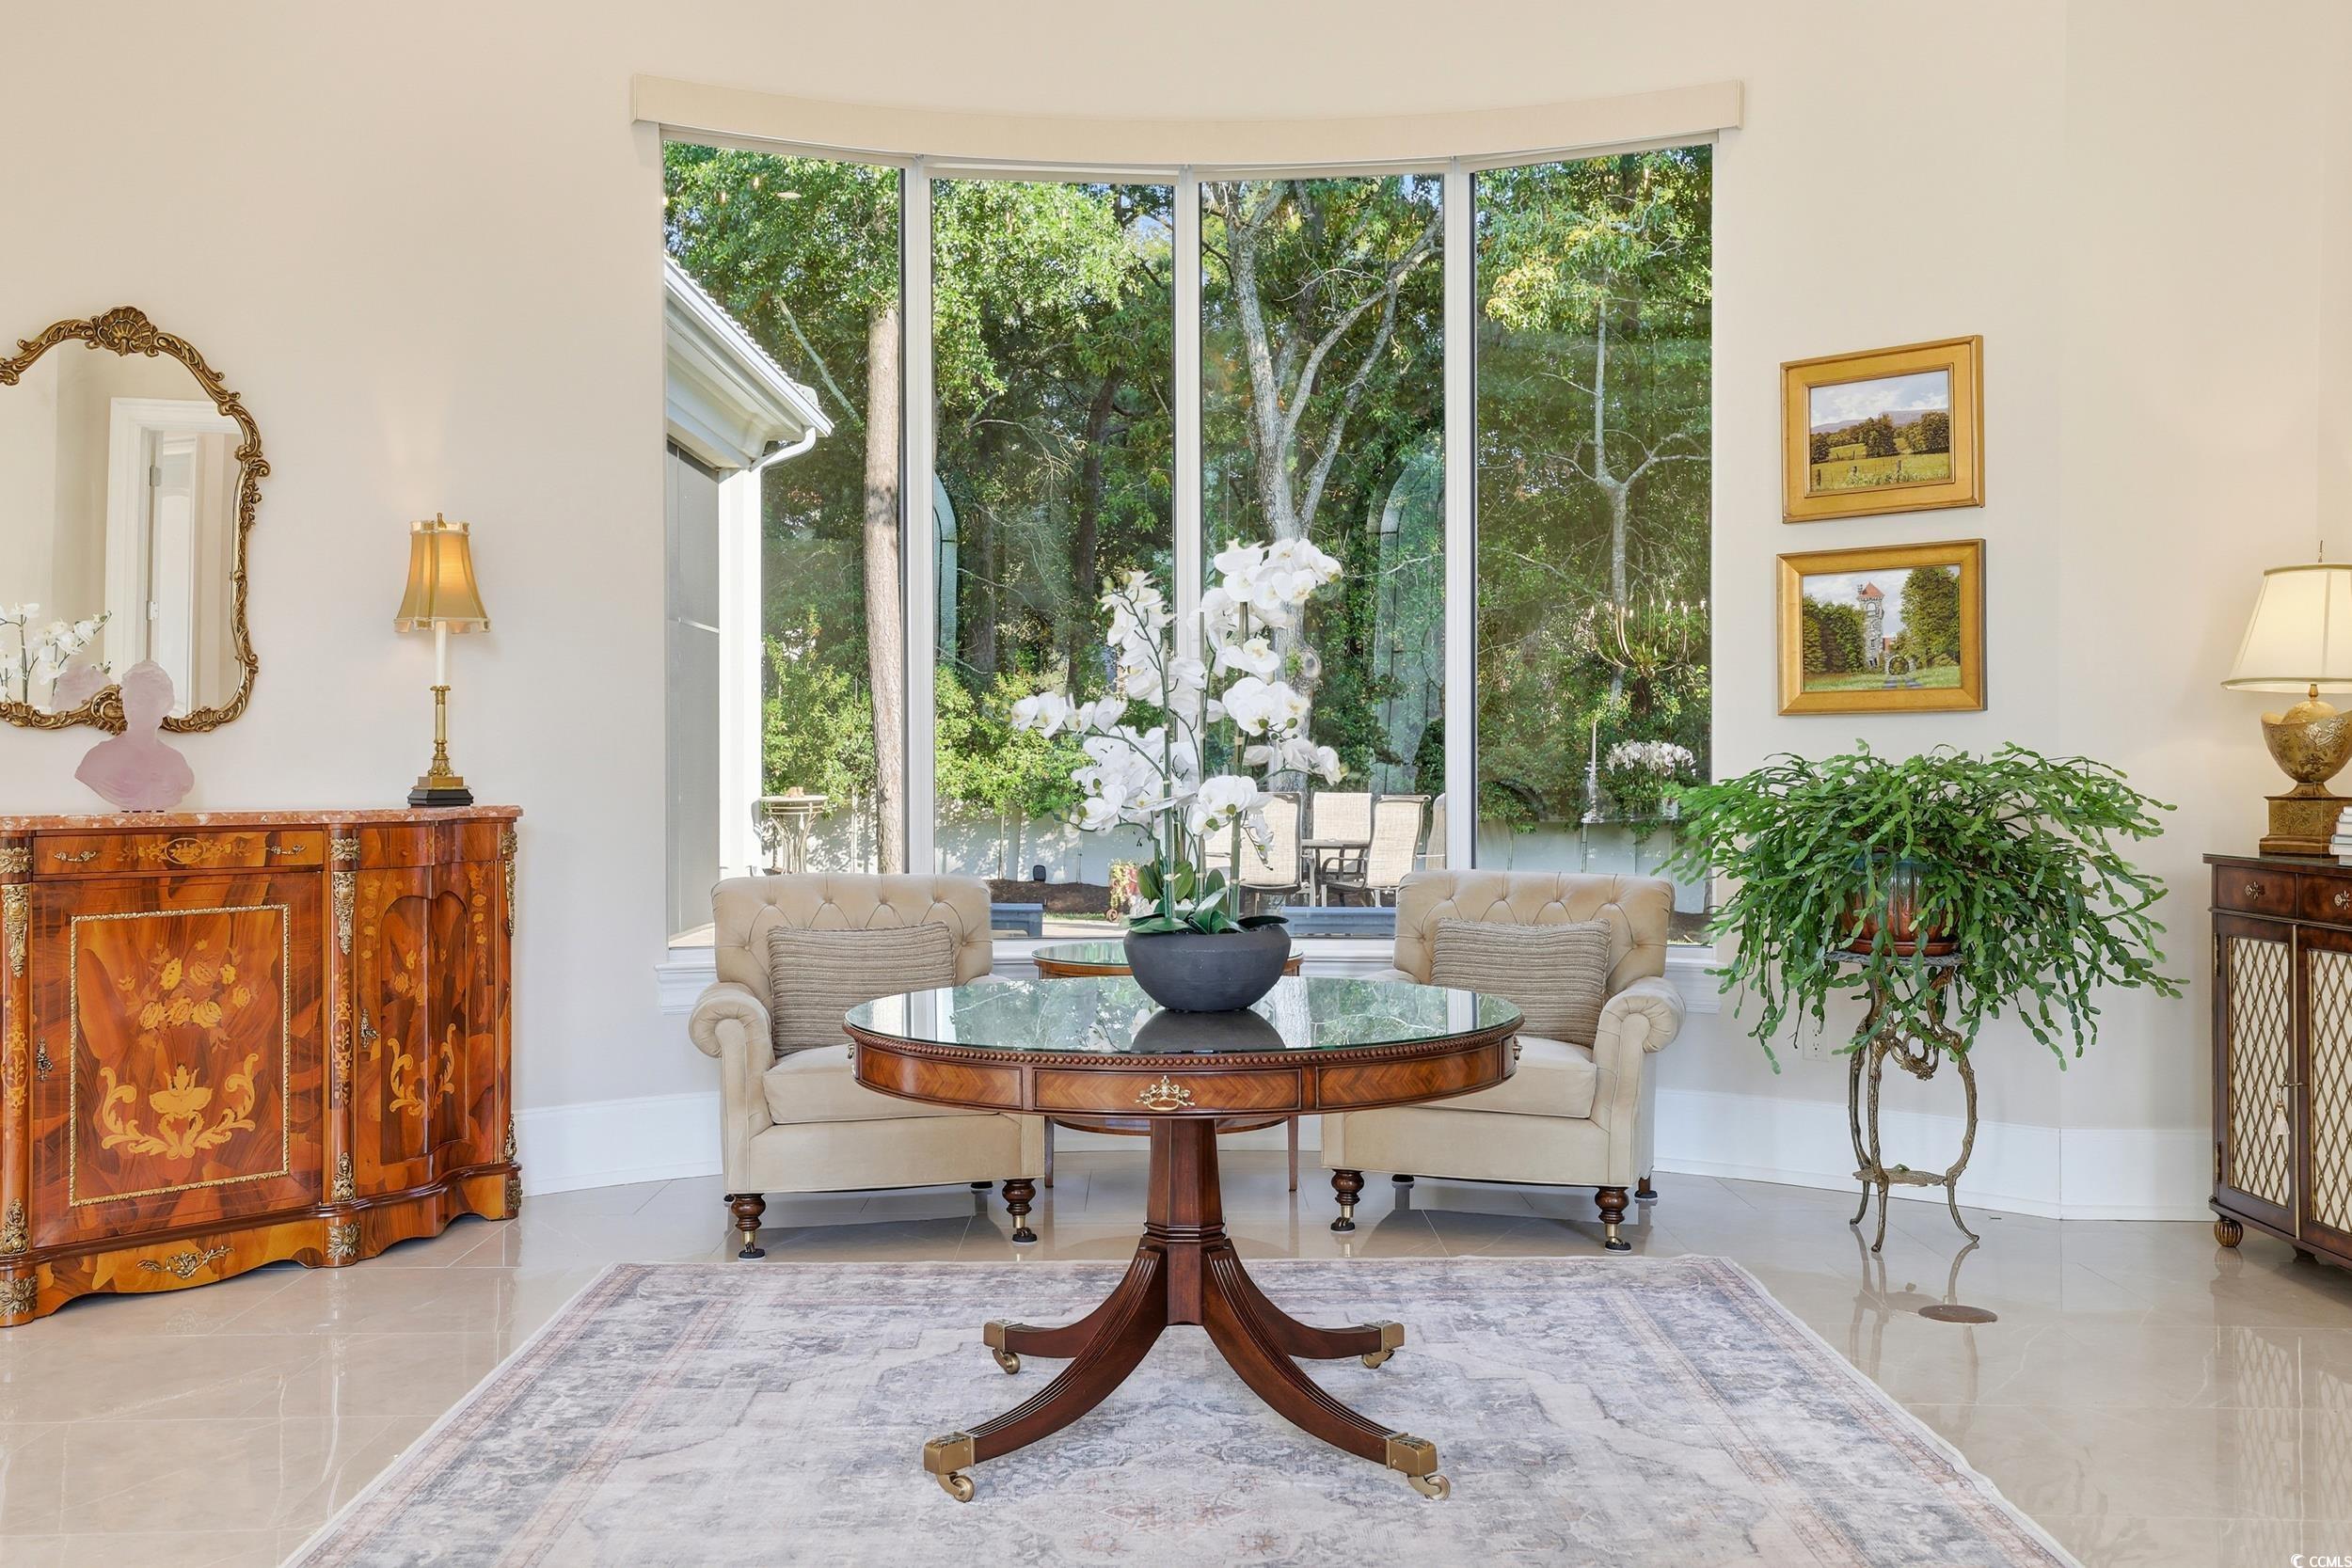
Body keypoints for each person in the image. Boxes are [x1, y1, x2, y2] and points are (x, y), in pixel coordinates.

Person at [75, 660, 194, 810]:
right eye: (128, 698)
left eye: (141, 699)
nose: (131, 705)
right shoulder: (99, 758)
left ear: (165, 705)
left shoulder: (176, 763)